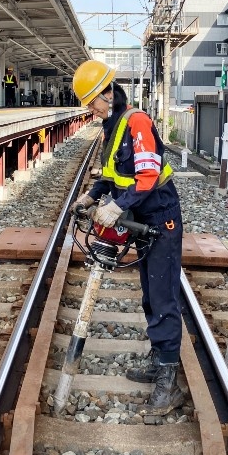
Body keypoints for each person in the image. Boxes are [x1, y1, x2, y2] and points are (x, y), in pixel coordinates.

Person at [71, 60, 184, 415]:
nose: (92, 109)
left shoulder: (137, 122)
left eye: (94, 102)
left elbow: (147, 176)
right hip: (141, 218)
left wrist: (117, 206)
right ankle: (158, 359)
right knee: (150, 292)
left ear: (108, 92)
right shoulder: (112, 125)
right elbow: (112, 174)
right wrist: (92, 195)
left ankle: (169, 379)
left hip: (160, 217)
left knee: (163, 294)